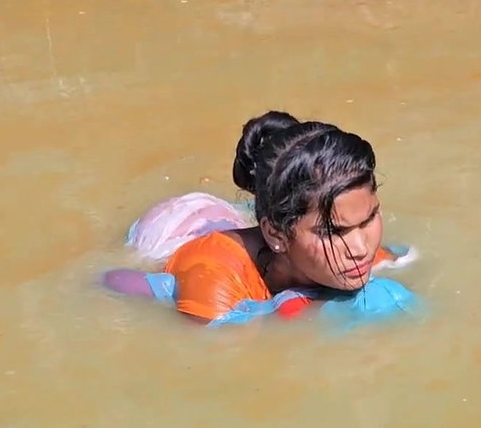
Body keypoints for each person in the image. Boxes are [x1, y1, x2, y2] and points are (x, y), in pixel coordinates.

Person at [103, 111, 414, 325]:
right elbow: (110, 280)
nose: (360, 247)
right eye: (335, 232)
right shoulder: (215, 283)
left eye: (369, 219)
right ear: (276, 235)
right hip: (170, 229)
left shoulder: (357, 255)